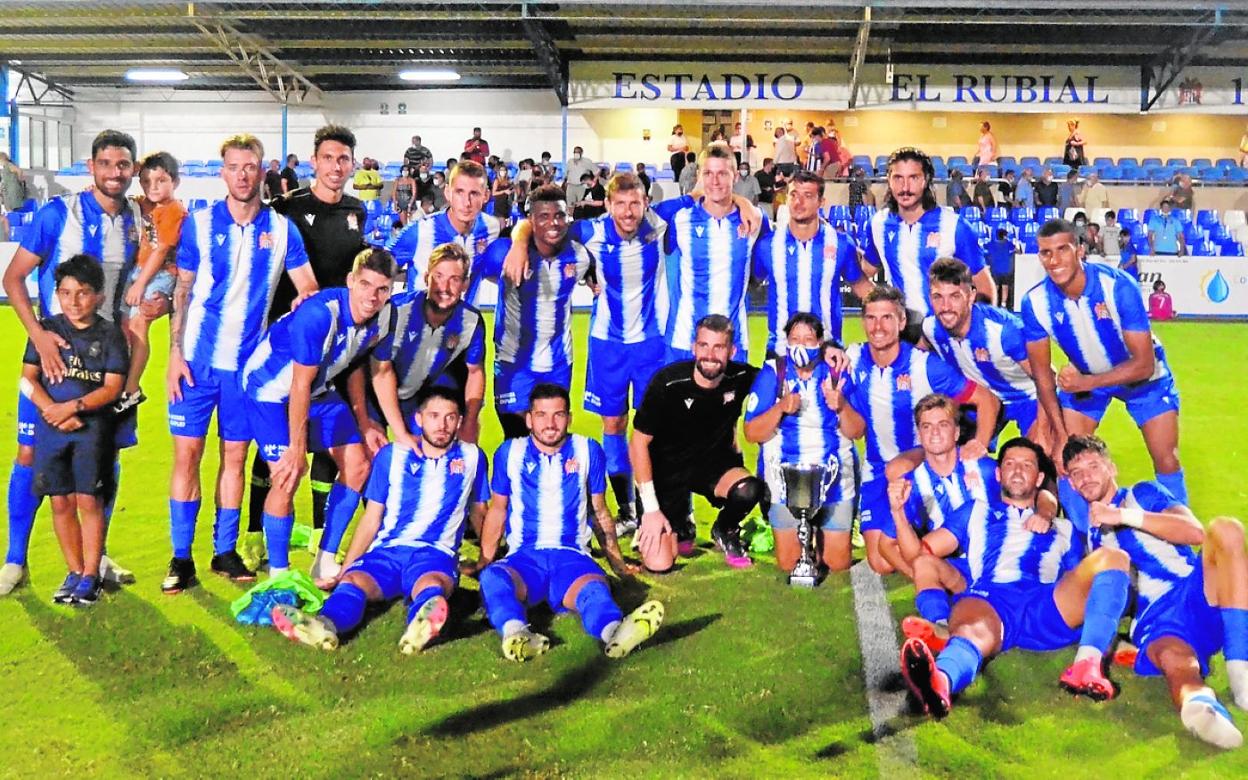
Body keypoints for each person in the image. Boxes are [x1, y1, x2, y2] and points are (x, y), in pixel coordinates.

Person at [163, 133, 318, 594]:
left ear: (262, 170)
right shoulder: (200, 224)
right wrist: (174, 353)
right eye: (234, 167)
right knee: (187, 455)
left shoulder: (284, 230)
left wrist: (307, 306)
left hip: (245, 370)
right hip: (195, 362)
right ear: (222, 172)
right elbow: (184, 291)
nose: (243, 175)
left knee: (235, 457)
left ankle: (223, 550)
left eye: (250, 167)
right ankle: (180, 557)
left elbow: (306, 286)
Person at [0, 129, 145, 596]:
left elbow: (143, 284)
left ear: (133, 170)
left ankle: (93, 557)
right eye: (106, 164)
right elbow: (14, 278)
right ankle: (14, 560)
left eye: (123, 165)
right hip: (56, 362)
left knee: (105, 456)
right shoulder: (57, 215)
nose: (114, 173)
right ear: (91, 167)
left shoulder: (136, 221)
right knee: (30, 453)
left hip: (108, 362)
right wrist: (39, 336)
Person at [899, 436, 1133, 719]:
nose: (1018, 470)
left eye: (1027, 465)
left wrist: (1048, 511)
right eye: (1010, 464)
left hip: (1045, 602)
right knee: (971, 628)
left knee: (1114, 558)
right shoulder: (976, 510)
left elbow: (1083, 581)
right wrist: (898, 512)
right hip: (991, 597)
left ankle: (1087, 664)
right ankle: (941, 678)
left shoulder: (1066, 528)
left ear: (1039, 477)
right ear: (998, 474)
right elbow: (922, 554)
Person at [1060, 435, 1248, 748]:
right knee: (1176, 663)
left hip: (1196, 590)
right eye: (1077, 472)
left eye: (1093, 466)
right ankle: (1201, 708)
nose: (1086, 476)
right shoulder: (1089, 537)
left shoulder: (1141, 494)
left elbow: (1194, 532)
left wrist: (1121, 516)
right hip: (1156, 620)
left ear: (1112, 468)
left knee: (1226, 529)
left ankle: (1241, 677)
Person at [271, 386, 489, 654]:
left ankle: (419, 627)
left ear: (458, 421)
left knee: (432, 586)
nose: (442, 425)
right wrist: (345, 570)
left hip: (435, 554)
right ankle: (324, 625)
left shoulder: (472, 457)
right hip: (387, 551)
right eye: (434, 416)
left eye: (450, 417)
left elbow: (480, 511)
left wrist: (487, 561)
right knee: (353, 584)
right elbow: (371, 518)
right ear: (419, 419)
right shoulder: (392, 456)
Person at [248, 124, 368, 572]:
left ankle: (321, 534)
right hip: (286, 341)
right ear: (313, 161)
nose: (336, 167)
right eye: (328, 158)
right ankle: (256, 534)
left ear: (352, 164)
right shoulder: (286, 208)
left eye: (344, 159)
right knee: (272, 450)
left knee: (327, 446)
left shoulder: (358, 211)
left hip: (338, 339)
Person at [475, 384, 664, 662]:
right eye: (541, 415)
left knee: (595, 592)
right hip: (524, 560)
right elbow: (498, 511)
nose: (550, 424)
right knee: (492, 578)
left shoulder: (588, 450)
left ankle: (615, 633)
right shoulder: (509, 453)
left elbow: (600, 511)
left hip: (572, 558)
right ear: (529, 419)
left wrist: (619, 566)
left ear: (569, 418)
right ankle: (516, 634)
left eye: (558, 415)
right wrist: (485, 561)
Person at [241, 248, 396, 580]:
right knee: (287, 474)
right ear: (351, 281)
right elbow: (298, 385)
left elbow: (356, 365)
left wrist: (365, 422)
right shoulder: (320, 315)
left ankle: (324, 560)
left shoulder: (384, 316)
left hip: (316, 389)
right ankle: (279, 577)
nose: (373, 296)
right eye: (366, 285)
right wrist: (297, 449)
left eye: (382, 289)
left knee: (358, 464)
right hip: (269, 392)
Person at [1021, 218, 1187, 502]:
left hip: (1142, 379)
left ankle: (1179, 541)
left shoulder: (1118, 287)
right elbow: (1042, 378)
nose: (1054, 260)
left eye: (1062, 249)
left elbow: (1144, 365)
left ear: (1080, 250)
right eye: (1046, 253)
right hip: (1087, 381)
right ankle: (1084, 539)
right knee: (1067, 460)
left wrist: (1086, 381)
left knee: (1166, 459)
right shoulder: (1034, 303)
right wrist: (1060, 434)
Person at [839, 286, 1000, 575]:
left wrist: (980, 442)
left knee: (897, 469)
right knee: (880, 562)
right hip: (877, 468)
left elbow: (986, 399)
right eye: (871, 318)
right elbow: (855, 427)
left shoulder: (926, 366)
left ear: (901, 323)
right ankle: (932, 557)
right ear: (862, 322)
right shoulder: (854, 361)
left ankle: (940, 540)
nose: (878, 326)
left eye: (887, 318)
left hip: (919, 463)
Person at [21, 256, 129, 606]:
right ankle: (72, 570)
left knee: (88, 500)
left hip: (91, 430)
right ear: (56, 294)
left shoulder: (109, 335)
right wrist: (51, 410)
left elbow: (112, 387)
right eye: (66, 293)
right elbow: (28, 379)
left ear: (98, 296)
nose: (74, 301)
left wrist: (75, 407)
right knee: (60, 501)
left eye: (82, 293)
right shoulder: (47, 329)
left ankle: (91, 573)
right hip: (52, 428)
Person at [630, 315, 766, 572]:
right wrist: (650, 508)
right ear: (694, 347)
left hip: (712, 467)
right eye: (703, 345)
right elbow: (637, 443)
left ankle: (724, 529)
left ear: (732, 351)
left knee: (749, 489)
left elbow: (777, 373)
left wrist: (827, 353)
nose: (710, 355)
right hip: (666, 474)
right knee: (660, 563)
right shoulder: (667, 383)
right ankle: (680, 523)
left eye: (719, 347)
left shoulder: (741, 376)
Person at [471, 185, 593, 439]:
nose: (553, 223)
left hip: (558, 363)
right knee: (515, 440)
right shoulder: (504, 253)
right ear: (531, 220)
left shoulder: (580, 256)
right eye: (544, 216)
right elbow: (474, 275)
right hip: (513, 364)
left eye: (559, 215)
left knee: (552, 440)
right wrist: (519, 242)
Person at [743, 313, 861, 573]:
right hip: (785, 480)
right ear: (786, 341)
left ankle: (820, 526)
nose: (801, 345)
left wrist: (840, 406)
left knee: (837, 565)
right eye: (795, 339)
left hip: (833, 479)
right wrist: (781, 408)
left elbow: (857, 431)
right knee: (788, 564)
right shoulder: (774, 373)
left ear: (820, 342)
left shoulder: (835, 372)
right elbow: (751, 432)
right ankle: (805, 528)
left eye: (808, 340)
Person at [860, 147, 993, 339]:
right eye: (898, 178)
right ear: (888, 180)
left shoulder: (954, 226)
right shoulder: (878, 224)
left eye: (913, 177)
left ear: (926, 181)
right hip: (902, 341)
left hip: (947, 341)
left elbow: (984, 287)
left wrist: (972, 336)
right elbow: (864, 272)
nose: (905, 187)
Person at [923, 258, 1048, 449]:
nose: (946, 307)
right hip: (979, 399)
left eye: (955, 296)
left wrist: (1043, 427)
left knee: (1042, 450)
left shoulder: (1004, 332)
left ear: (971, 295)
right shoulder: (931, 328)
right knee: (947, 453)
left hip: (1026, 397)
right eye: (938, 297)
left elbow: (1046, 377)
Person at [371, 242, 486, 445]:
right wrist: (401, 434)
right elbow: (381, 373)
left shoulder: (471, 321)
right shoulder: (396, 312)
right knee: (364, 461)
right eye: (438, 277)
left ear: (465, 284)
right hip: (373, 393)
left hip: (416, 395)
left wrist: (469, 423)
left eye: (455, 279)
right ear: (426, 278)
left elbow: (475, 372)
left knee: (441, 447)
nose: (445, 287)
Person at [658, 143, 763, 362]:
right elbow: (642, 217)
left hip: (733, 345)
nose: (715, 181)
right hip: (683, 340)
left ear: (735, 177)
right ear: (700, 176)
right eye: (708, 173)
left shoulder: (753, 220)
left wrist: (742, 203)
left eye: (722, 174)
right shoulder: (680, 218)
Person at [752, 170, 873, 356]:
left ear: (821, 202)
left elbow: (864, 289)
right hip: (780, 352)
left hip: (828, 351)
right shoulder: (767, 245)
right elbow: (747, 284)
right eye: (793, 195)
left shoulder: (840, 243)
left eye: (807, 196)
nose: (798, 202)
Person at [882, 395, 1000, 586]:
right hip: (953, 570)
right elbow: (885, 545)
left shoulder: (985, 469)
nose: (934, 432)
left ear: (956, 432)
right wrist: (920, 573)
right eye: (927, 426)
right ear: (919, 435)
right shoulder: (912, 484)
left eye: (943, 424)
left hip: (995, 564)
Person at [118, 152, 187, 412]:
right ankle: (124, 380)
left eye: (160, 180)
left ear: (175, 182)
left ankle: (131, 388)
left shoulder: (174, 211)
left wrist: (139, 284)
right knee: (125, 324)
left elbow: (160, 251)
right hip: (139, 269)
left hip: (161, 273)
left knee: (138, 323)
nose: (153, 187)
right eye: (146, 181)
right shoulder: (142, 204)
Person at [385, 160, 500, 290]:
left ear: (486, 196)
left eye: (474, 193)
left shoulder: (491, 227)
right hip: (419, 309)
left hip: (467, 310)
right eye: (459, 192)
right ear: (447, 193)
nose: (467, 202)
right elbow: (378, 270)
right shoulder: (420, 231)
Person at [985, 228, 1017, 309]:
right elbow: (1017, 250)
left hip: (995, 270)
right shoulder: (1008, 244)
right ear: (1005, 236)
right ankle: (1003, 305)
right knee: (1005, 287)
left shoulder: (991, 244)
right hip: (1006, 269)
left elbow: (984, 248)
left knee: (995, 287)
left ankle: (994, 304)